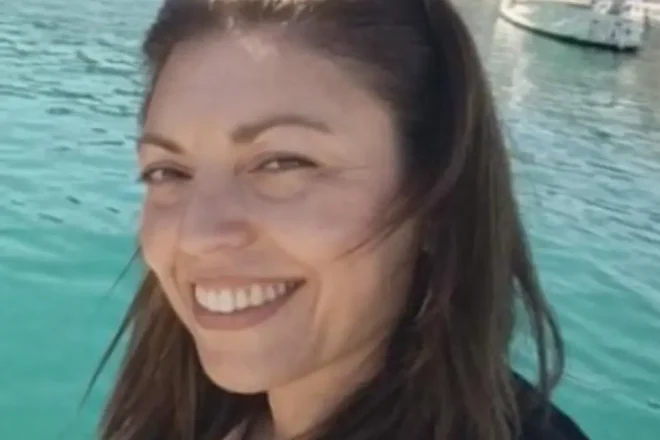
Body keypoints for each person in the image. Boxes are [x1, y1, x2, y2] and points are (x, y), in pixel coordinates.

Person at [93, 0, 592, 439]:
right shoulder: (192, 416)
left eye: (283, 162)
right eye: (168, 171)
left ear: (436, 197)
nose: (199, 235)